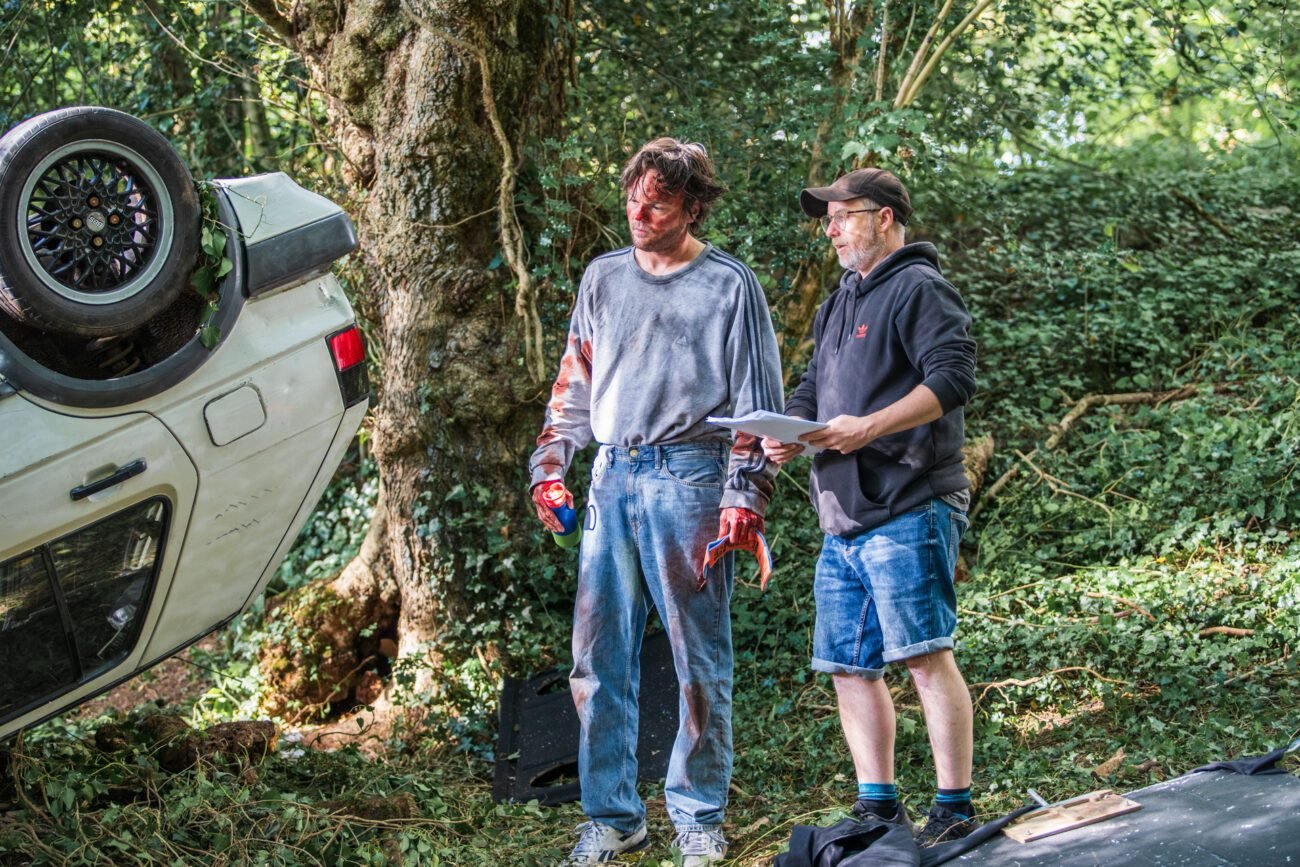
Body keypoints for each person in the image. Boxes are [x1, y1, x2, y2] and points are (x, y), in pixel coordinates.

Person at [528, 137, 783, 866]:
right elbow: (572, 387)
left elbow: (756, 407)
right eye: (634, 196)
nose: (638, 211)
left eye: (658, 202)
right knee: (596, 657)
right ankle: (612, 816)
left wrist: (746, 494)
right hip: (611, 476)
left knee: (698, 657)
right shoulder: (603, 277)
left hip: (695, 477)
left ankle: (699, 815)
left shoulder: (730, 285)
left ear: (692, 208)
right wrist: (551, 467)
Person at [761, 168, 979, 847]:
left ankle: (955, 806)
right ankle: (879, 805)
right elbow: (810, 389)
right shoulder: (838, 302)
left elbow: (953, 377)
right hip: (842, 516)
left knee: (923, 654)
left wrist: (871, 425)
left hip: (911, 502)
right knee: (850, 666)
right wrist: (786, 432)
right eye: (827, 217)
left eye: (842, 215)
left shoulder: (920, 287)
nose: (829, 228)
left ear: (883, 217)